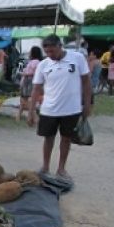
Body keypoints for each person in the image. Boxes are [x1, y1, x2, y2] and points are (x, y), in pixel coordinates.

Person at [28, 34, 91, 180]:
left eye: (52, 51)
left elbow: (87, 82)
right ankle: (45, 167)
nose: (50, 55)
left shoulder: (77, 58)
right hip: (49, 109)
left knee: (66, 139)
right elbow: (36, 89)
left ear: (59, 46)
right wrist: (31, 111)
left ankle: (61, 168)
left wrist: (87, 104)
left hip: (71, 109)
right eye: (47, 52)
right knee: (48, 139)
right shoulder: (43, 65)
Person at [17, 46, 43, 121]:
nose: (29, 53)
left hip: (29, 82)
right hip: (26, 81)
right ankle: (19, 116)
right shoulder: (33, 62)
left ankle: (34, 116)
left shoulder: (36, 62)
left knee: (25, 100)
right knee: (23, 100)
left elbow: (35, 73)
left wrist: (25, 74)